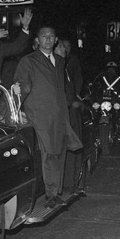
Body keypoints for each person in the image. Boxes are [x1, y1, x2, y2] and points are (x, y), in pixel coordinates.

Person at [13, 26, 83, 208]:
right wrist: (17, 109)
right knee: (49, 154)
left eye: (51, 36)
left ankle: (55, 192)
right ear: (37, 40)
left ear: (56, 39)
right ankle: (51, 195)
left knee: (59, 153)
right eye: (44, 36)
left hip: (60, 115)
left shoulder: (59, 61)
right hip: (40, 116)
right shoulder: (28, 61)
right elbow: (20, 86)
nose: (48, 39)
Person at [54, 37, 84, 195]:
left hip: (71, 111)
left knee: (73, 148)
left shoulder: (66, 66)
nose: (64, 50)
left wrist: (76, 98)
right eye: (60, 47)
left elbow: (75, 83)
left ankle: (71, 183)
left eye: (66, 47)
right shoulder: (55, 67)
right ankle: (62, 186)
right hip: (63, 113)